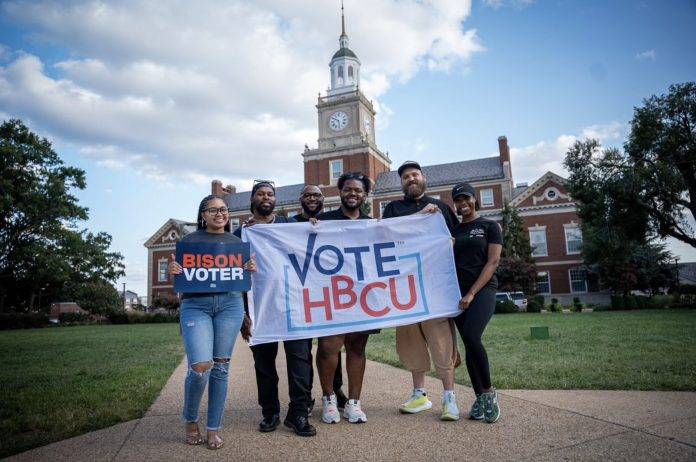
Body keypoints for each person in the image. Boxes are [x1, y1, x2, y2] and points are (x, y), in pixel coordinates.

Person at [169, 194, 256, 450]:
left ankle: (214, 427)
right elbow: (182, 281)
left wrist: (249, 268)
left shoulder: (236, 242)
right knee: (200, 367)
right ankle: (191, 419)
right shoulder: (189, 241)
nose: (220, 214)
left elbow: (241, 282)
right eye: (213, 210)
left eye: (224, 209)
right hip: (196, 306)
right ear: (203, 215)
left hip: (230, 305)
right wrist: (175, 271)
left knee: (220, 368)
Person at [234, 180, 316, 437]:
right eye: (261, 194)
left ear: (275, 200)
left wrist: (314, 227)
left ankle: (298, 413)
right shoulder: (240, 235)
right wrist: (242, 313)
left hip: (295, 306)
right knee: (264, 364)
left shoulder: (291, 226)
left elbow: (316, 245)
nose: (266, 197)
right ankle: (270, 412)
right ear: (253, 200)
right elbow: (232, 277)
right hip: (259, 308)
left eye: (270, 194)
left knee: (300, 361)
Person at [381, 161, 461, 421]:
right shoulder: (393, 208)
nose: (410, 179)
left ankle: (449, 398)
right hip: (405, 290)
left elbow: (454, 241)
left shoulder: (441, 208)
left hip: (434, 289)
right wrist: (418, 218)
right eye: (405, 177)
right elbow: (382, 237)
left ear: (423, 177)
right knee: (411, 343)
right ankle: (420, 395)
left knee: (441, 343)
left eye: (414, 174)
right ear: (401, 182)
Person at [315, 172, 372, 424]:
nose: (352, 194)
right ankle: (328, 399)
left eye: (358, 190)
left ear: (365, 195)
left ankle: (354, 403)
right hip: (330, 294)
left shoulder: (373, 225)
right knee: (329, 347)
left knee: (357, 347)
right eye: (348, 189)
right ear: (340, 192)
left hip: (361, 295)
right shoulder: (323, 221)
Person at [291, 185, 349, 412]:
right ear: (301, 199)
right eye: (307, 195)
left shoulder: (330, 221)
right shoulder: (289, 224)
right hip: (301, 294)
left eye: (316, 195)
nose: (312, 199)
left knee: (332, 347)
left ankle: (336, 390)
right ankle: (304, 398)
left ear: (323, 199)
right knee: (302, 351)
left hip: (329, 293)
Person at [450, 182, 502, 423]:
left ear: (475, 199)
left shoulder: (490, 226)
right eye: (458, 200)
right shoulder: (455, 231)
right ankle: (479, 396)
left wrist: (471, 293)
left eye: (466, 199)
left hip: (481, 291)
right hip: (457, 294)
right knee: (469, 343)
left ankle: (490, 394)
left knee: (472, 336)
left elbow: (492, 263)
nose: (463, 204)